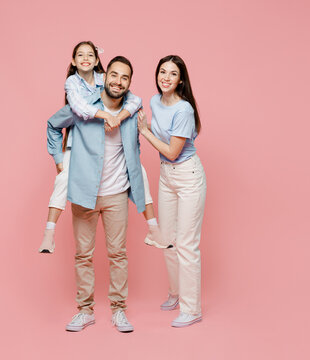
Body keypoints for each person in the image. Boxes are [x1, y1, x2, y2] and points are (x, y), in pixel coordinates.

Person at [39, 41, 168, 254]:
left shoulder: (106, 82)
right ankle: (49, 232)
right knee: (63, 179)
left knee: (139, 174)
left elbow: (134, 99)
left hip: (111, 177)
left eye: (90, 55)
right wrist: (59, 158)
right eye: (80, 55)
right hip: (78, 149)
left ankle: (153, 228)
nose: (86, 59)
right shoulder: (73, 84)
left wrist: (120, 117)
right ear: (73, 60)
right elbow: (77, 108)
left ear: (99, 62)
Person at [47, 56, 143, 332]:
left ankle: (119, 310)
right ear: (105, 76)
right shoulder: (83, 108)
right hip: (84, 193)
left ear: (129, 83)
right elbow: (54, 124)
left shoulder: (131, 110)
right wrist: (59, 162)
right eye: (114, 75)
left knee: (118, 254)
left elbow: (134, 144)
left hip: (116, 194)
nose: (118, 81)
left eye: (125, 78)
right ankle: (85, 310)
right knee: (83, 255)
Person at [137, 55, 207, 327]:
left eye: (172, 73)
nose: (166, 77)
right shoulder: (155, 101)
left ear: (181, 80)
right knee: (167, 238)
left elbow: (172, 151)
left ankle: (192, 309)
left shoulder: (184, 110)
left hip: (188, 175)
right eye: (162, 71)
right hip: (166, 175)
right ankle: (176, 294)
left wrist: (144, 131)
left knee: (187, 244)